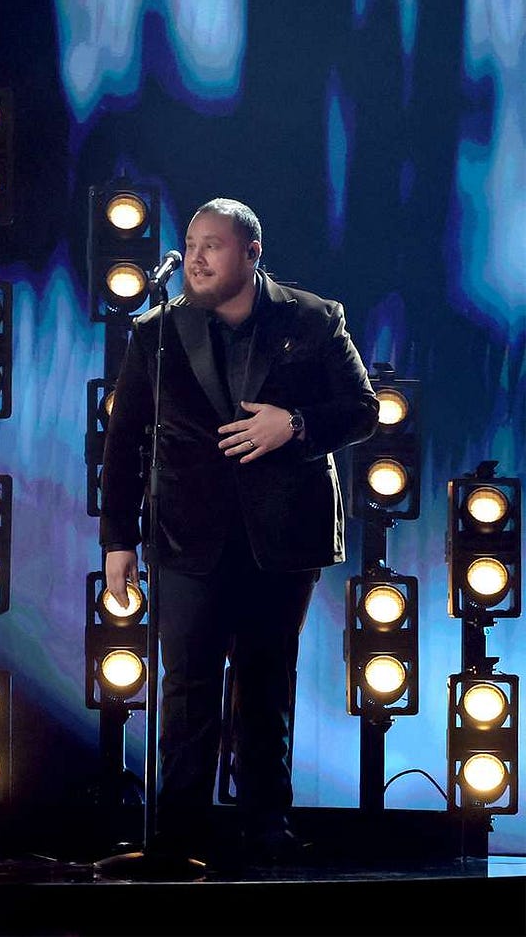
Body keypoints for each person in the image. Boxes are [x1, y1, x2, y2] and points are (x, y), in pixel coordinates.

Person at [99, 198, 378, 863]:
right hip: (185, 533)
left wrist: (297, 424)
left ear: (252, 253)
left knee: (265, 679)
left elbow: (362, 408)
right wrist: (118, 542)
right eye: (191, 243)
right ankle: (178, 832)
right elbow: (124, 441)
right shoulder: (157, 333)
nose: (196, 256)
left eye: (213, 245)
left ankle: (264, 826)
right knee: (187, 684)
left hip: (282, 534)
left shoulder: (313, 319)